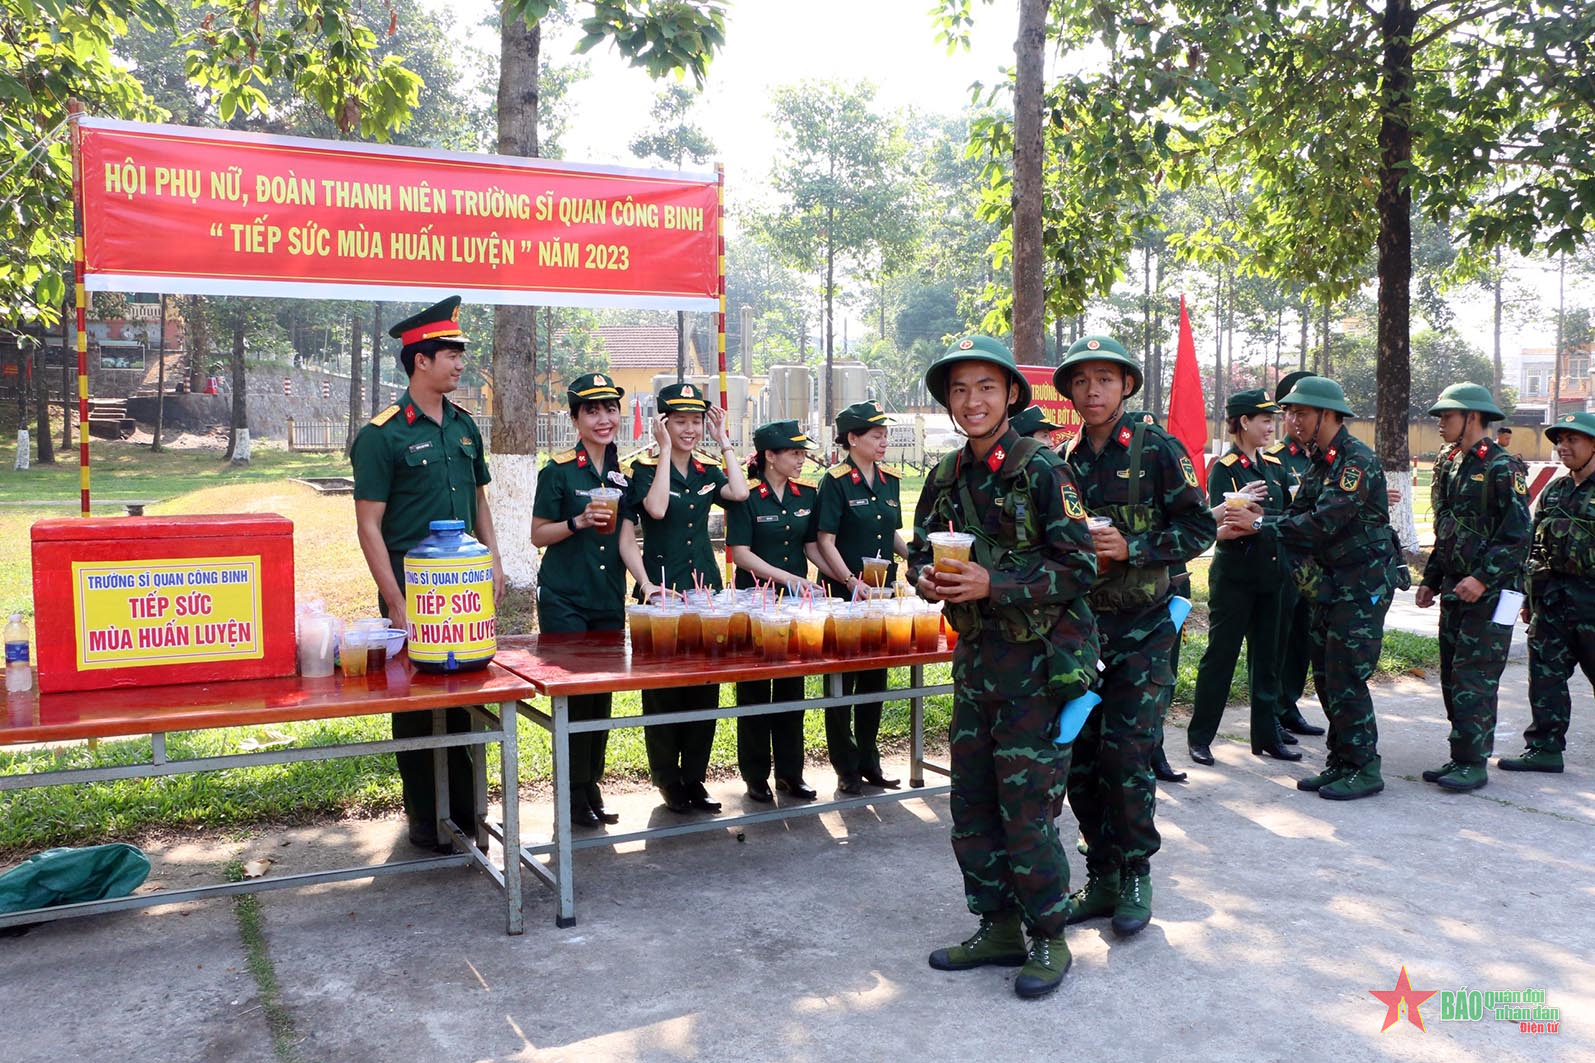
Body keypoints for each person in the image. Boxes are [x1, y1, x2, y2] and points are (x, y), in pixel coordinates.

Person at [913, 336, 1098, 999]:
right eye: (959, 389)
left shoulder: (1043, 471)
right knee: (971, 804)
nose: (972, 401)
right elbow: (920, 548)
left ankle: (1047, 934)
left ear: (1012, 395)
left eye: (986, 387)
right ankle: (995, 926)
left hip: (1036, 671)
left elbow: (1080, 566)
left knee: (1027, 811)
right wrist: (926, 577)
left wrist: (995, 583)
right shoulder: (945, 475)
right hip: (976, 668)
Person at [1055, 336, 1215, 938]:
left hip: (1143, 629)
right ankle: (1100, 874)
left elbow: (1199, 528)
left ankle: (1136, 872)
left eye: (1105, 379)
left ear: (1126, 385)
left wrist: (1134, 547)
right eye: (1081, 381)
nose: (1092, 391)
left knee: (1126, 755)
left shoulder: (1157, 450)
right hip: (1080, 633)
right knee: (1080, 759)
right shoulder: (1062, 460)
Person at [350, 296, 504, 850]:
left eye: (461, 354)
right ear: (421, 360)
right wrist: (394, 600)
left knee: (465, 696)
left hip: (465, 589)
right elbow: (368, 525)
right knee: (415, 704)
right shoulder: (383, 435)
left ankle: (463, 811)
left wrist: (494, 560)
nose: (461, 363)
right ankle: (423, 815)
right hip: (411, 590)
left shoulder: (464, 426)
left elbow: (480, 500)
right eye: (451, 354)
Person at [1218, 376, 1400, 801]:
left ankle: (1364, 767)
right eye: (1289, 413)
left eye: (1300, 413)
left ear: (1328, 414)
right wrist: (1262, 515)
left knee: (1347, 676)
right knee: (1327, 676)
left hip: (1361, 585)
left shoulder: (1354, 461)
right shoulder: (1322, 461)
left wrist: (1259, 523)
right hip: (1332, 585)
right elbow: (1298, 513)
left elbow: (1321, 523)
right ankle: (1342, 760)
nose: (1291, 421)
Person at [622, 382, 750, 814]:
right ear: (663, 424)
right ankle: (667, 779)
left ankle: (695, 777)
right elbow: (657, 510)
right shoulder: (643, 469)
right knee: (664, 690)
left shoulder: (705, 469)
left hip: (705, 592)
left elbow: (739, 493)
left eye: (696, 421)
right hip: (662, 591)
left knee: (704, 686)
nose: (690, 429)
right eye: (680, 421)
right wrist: (663, 453)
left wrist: (724, 441)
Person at [530, 372, 639, 827]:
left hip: (607, 598)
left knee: (601, 698)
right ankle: (572, 793)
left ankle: (591, 785)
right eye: (592, 411)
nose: (603, 419)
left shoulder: (623, 476)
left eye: (610, 409)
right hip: (565, 599)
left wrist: (646, 583)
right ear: (575, 419)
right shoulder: (557, 471)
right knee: (574, 698)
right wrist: (576, 522)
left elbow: (627, 539)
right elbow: (538, 535)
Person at [1415, 385, 1531, 792]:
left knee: (1475, 676)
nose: (1440, 423)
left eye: (1447, 416)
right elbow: (1447, 529)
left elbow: (1518, 534)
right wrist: (1431, 579)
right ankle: (1461, 754)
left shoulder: (1503, 466)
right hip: (1455, 588)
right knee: (1452, 673)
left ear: (1473, 417)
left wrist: (1482, 577)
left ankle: (1472, 762)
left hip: (1493, 594)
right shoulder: (1451, 463)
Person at [1188, 389, 1300, 767]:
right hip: (1235, 577)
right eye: (1265, 420)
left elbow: (1290, 518)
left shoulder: (1275, 465)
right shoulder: (1226, 467)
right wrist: (1251, 516)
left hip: (1273, 575)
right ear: (1244, 422)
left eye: (1273, 420)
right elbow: (1229, 523)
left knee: (1268, 660)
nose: (1271, 427)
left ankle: (1266, 736)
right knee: (1220, 658)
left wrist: (1262, 520)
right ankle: (1200, 737)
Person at [727, 420, 824, 803]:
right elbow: (741, 553)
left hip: (795, 605)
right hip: (755, 603)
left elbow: (812, 547)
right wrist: (788, 579)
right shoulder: (747, 496)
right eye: (795, 453)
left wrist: (847, 580)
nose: (802, 460)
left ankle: (790, 773)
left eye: (803, 453)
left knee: (791, 688)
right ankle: (755, 776)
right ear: (770, 456)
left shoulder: (807, 494)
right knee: (754, 690)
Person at [815, 400, 910, 794]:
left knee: (875, 676)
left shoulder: (890, 480)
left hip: (881, 593)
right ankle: (845, 765)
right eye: (876, 435)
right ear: (852, 439)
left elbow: (891, 533)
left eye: (885, 434)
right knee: (841, 679)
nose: (884, 441)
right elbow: (825, 540)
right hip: (844, 593)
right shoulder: (835, 481)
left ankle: (870, 759)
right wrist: (850, 581)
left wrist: (914, 555)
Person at [1499, 411, 1595, 775]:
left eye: (1573, 440)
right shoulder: (1555, 490)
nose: (1562, 447)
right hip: (1553, 600)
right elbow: (1534, 546)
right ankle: (1544, 748)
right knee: (1545, 676)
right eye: (1560, 441)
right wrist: (1529, 596)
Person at [1263, 370, 1327, 743]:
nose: (1297, 419)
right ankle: (1270, 711)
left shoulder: (1321, 458)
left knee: (1303, 638)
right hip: (1284, 563)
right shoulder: (1274, 459)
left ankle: (1289, 705)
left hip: (1315, 566)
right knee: (1279, 639)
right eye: (1292, 411)